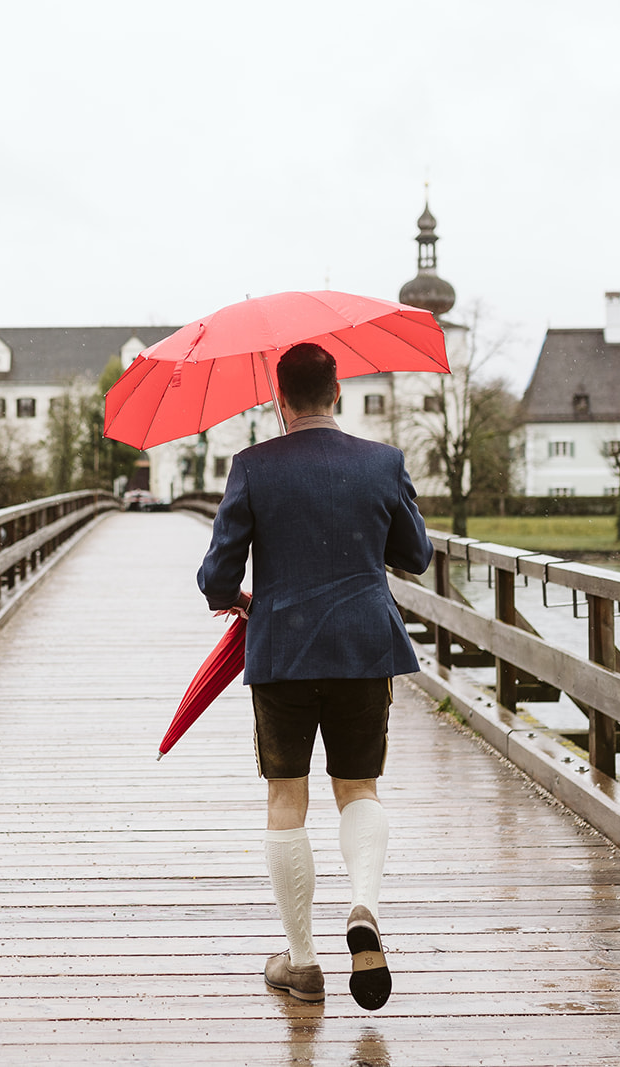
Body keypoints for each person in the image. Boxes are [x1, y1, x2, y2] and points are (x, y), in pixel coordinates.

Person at [196, 341, 432, 1011]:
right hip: (363, 644)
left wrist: (243, 599)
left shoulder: (251, 466)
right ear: (338, 393)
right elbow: (414, 552)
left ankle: (302, 963)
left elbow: (216, 577)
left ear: (279, 399)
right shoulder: (382, 463)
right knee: (358, 785)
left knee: (285, 796)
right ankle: (362, 907)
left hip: (284, 651)